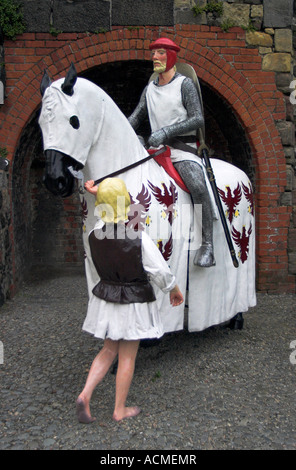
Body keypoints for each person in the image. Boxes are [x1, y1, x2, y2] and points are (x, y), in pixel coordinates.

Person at [76, 177, 184, 423]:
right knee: (127, 356)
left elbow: (106, 217)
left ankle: (85, 394)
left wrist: (99, 194)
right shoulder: (139, 238)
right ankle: (119, 409)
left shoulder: (93, 235)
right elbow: (159, 271)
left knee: (108, 349)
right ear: (127, 204)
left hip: (108, 298)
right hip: (134, 303)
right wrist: (174, 289)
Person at [128, 37, 215, 267]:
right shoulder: (150, 87)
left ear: (171, 56)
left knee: (197, 185)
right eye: (153, 53)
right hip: (156, 150)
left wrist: (167, 131)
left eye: (160, 53)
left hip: (181, 149)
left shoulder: (184, 84)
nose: (154, 57)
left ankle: (208, 244)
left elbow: (197, 118)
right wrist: (121, 129)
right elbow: (137, 116)